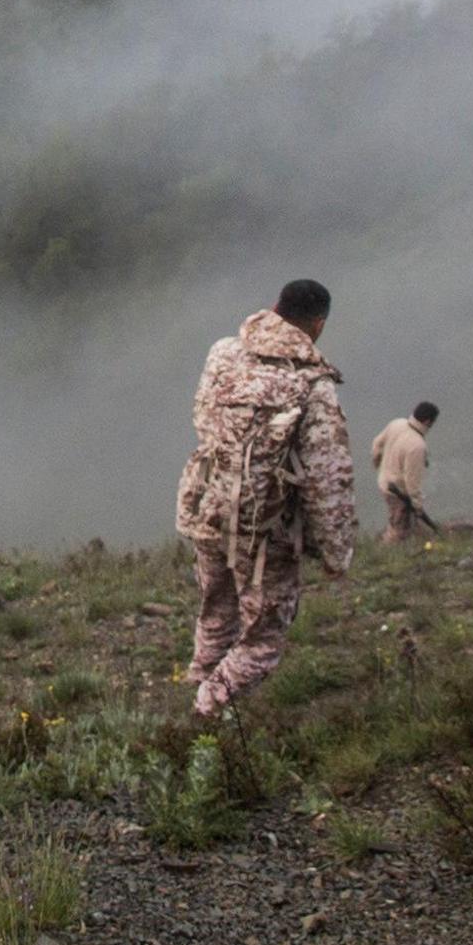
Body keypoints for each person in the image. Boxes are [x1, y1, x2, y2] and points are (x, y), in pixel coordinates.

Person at [175, 280, 356, 717]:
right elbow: (327, 478)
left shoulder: (223, 352)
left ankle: (199, 684)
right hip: (265, 529)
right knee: (263, 638)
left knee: (216, 612)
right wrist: (336, 552)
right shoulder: (313, 383)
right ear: (317, 325)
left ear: (275, 307)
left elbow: (203, 417)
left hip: (207, 509)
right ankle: (206, 715)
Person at [372, 402, 438, 545]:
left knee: (408, 525)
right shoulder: (417, 446)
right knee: (398, 531)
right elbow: (412, 483)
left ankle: (415, 546)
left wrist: (378, 465)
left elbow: (377, 444)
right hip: (398, 492)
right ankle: (384, 555)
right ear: (428, 421)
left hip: (385, 482)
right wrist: (418, 506)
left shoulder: (397, 424)